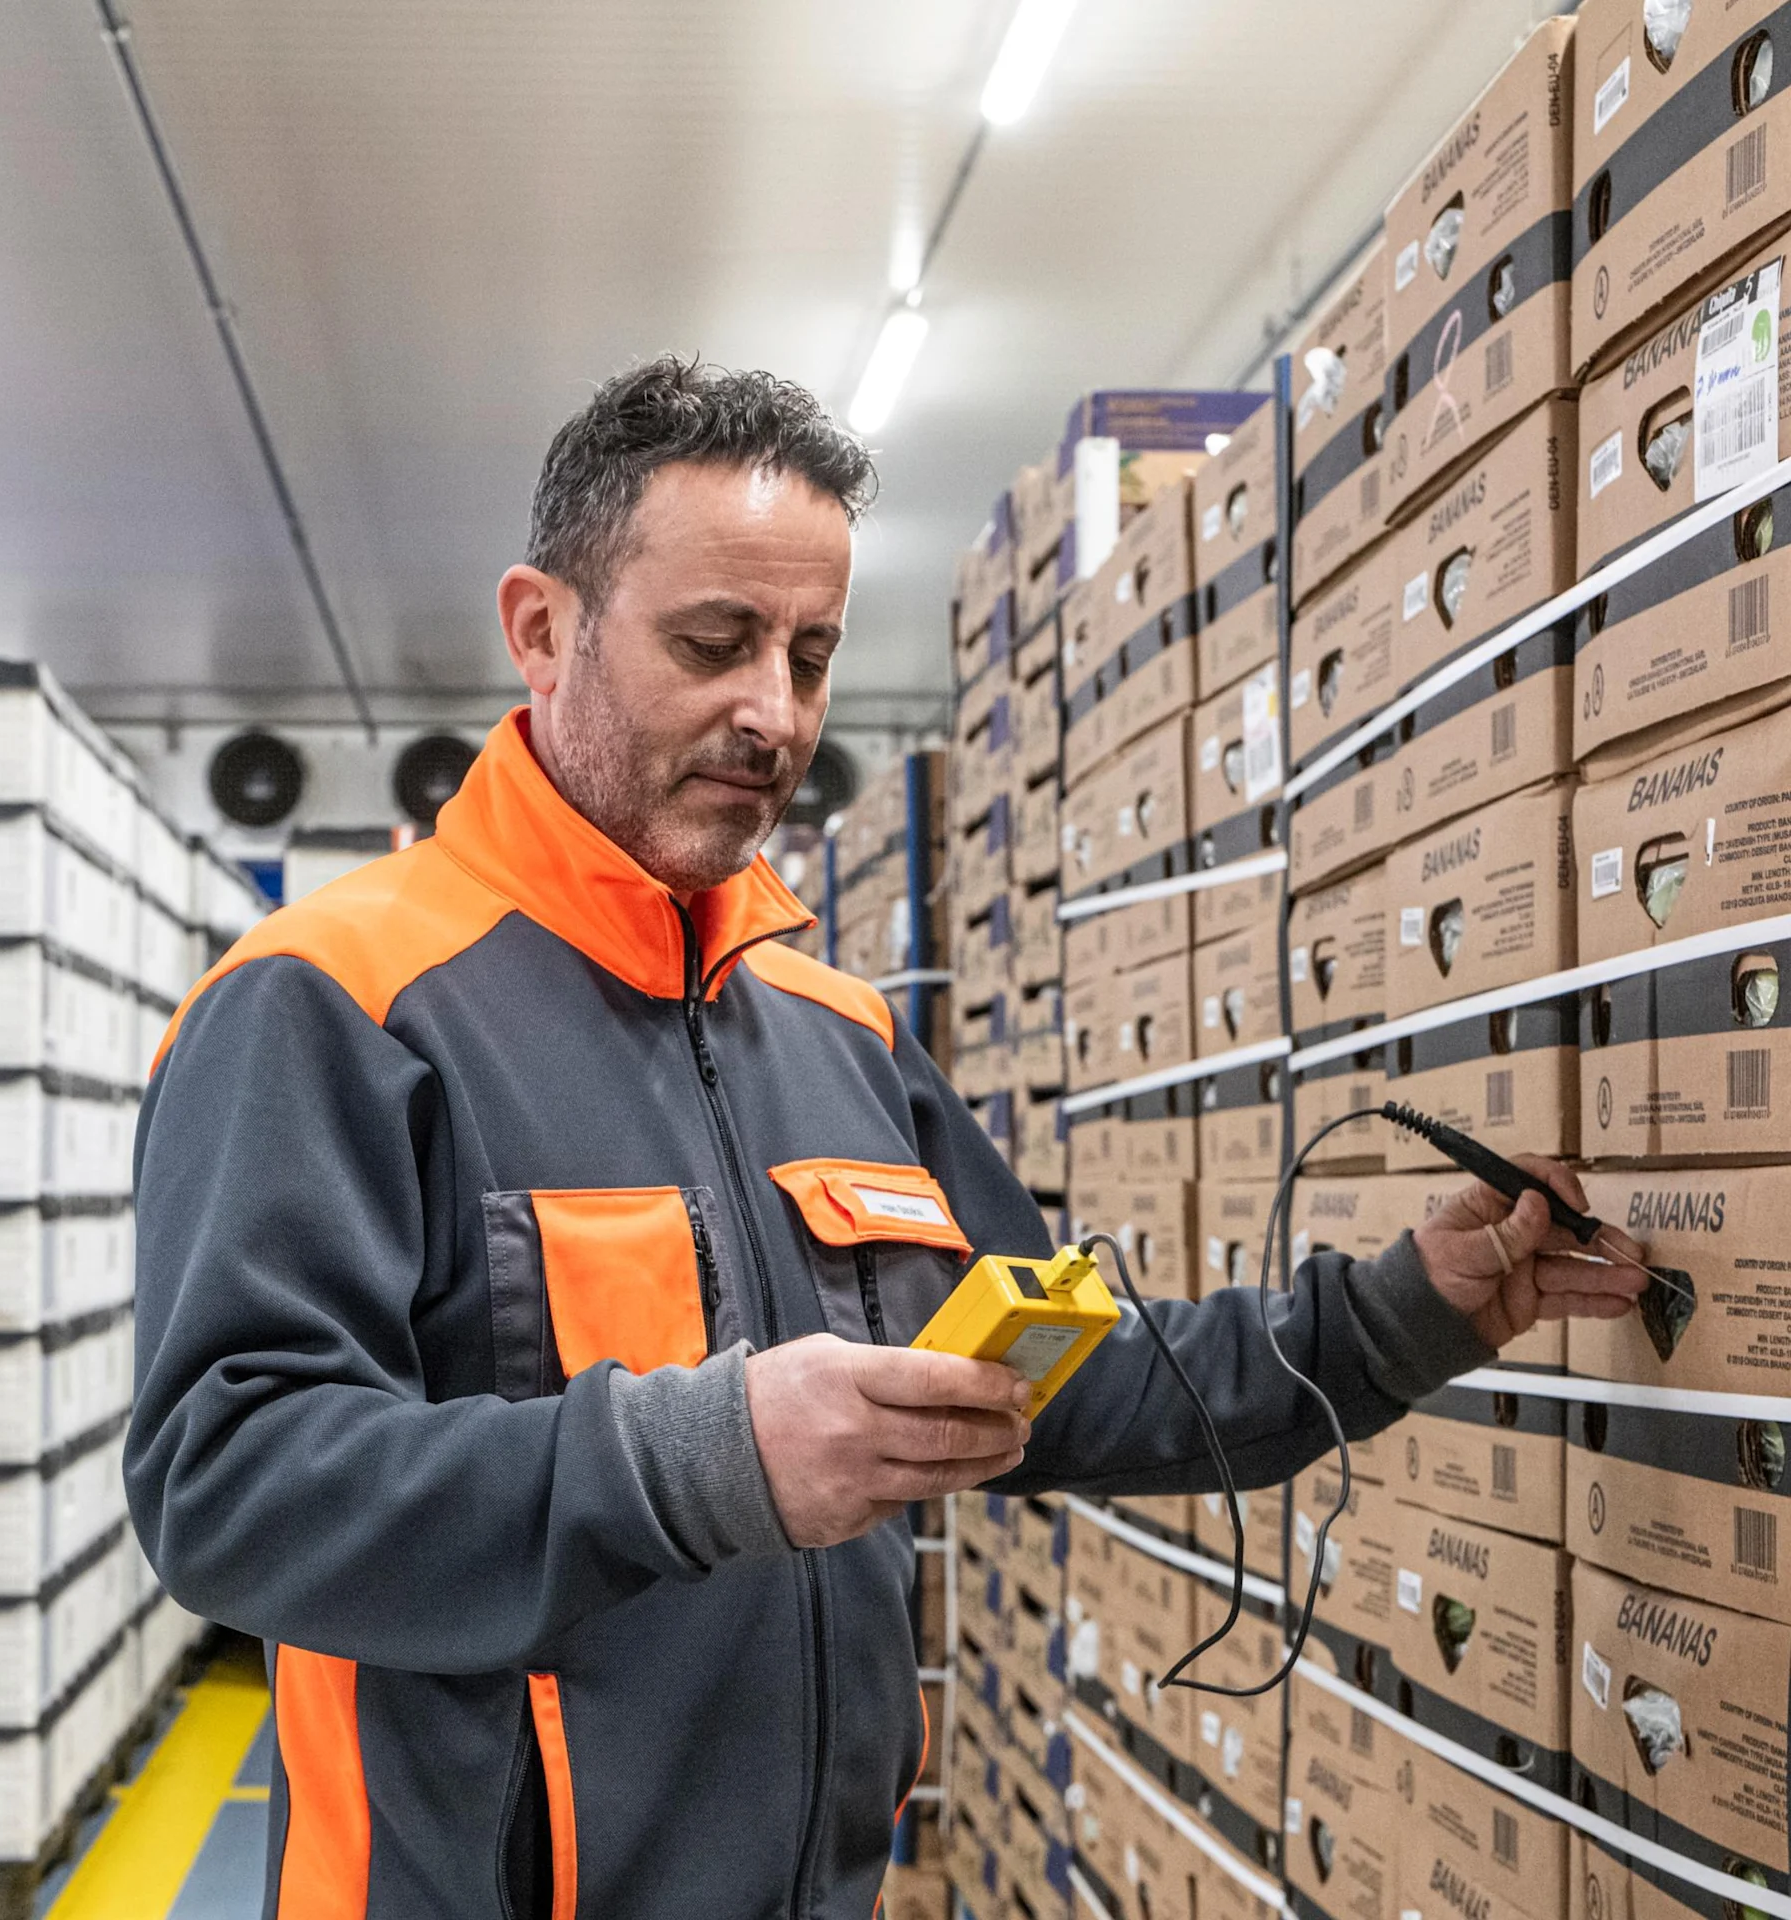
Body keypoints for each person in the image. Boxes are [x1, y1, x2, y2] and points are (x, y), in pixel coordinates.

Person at [125, 356, 1647, 1920]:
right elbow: (225, 1486)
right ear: (542, 630)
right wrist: (703, 1459)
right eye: (713, 644)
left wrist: (1415, 1307)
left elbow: (1067, 1377)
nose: (772, 713)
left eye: (811, 654)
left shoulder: (833, 1029)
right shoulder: (334, 1001)